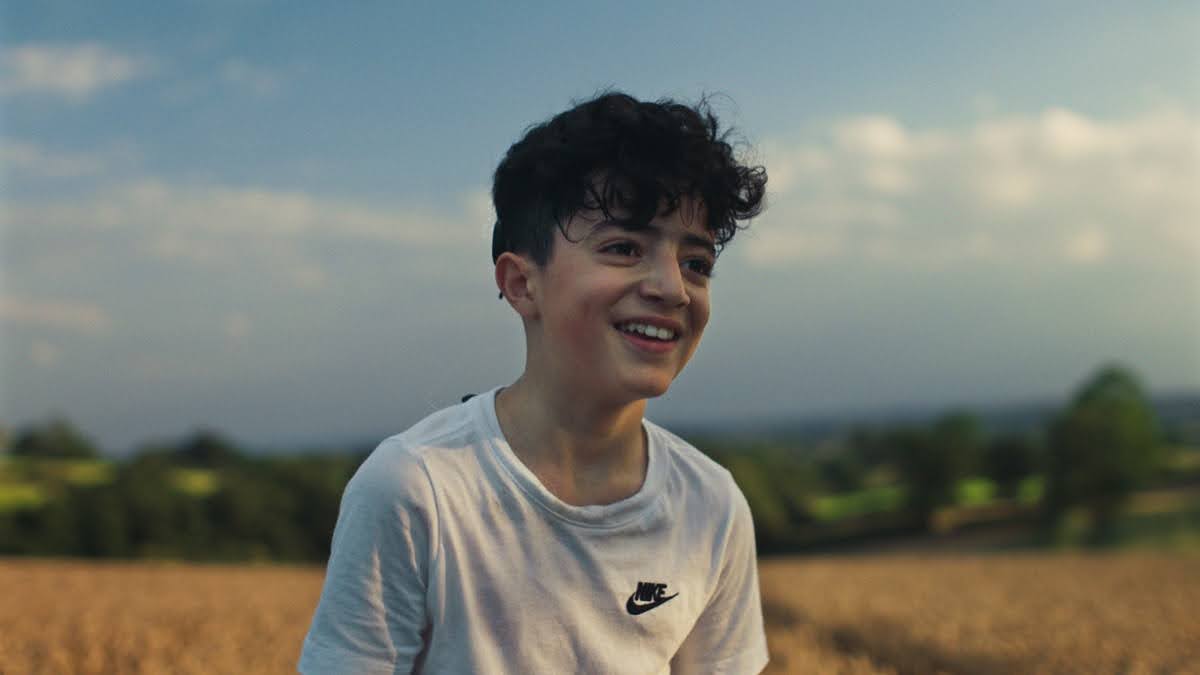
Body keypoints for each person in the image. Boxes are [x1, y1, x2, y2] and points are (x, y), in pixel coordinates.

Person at [298, 91, 769, 674]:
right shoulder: (416, 490)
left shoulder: (711, 505)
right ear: (521, 284)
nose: (672, 288)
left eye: (696, 264)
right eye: (624, 248)